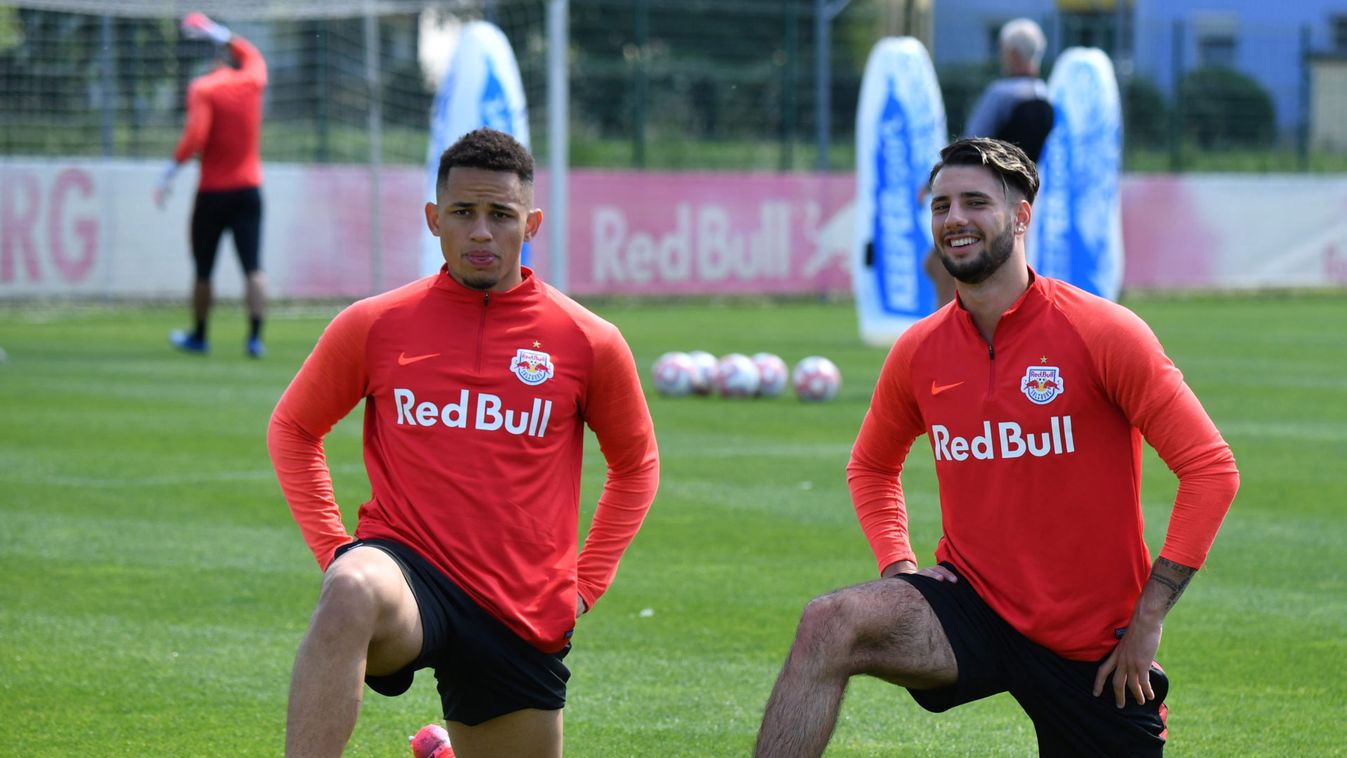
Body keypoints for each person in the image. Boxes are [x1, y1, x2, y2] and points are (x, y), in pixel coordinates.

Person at [755, 138, 1239, 757]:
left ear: (1021, 215)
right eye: (941, 205)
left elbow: (1210, 470)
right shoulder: (919, 350)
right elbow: (871, 466)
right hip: (973, 608)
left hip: (1093, 646)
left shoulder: (1102, 333)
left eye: (975, 203)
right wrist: (899, 568)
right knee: (829, 623)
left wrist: (1148, 620)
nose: (954, 218)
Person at [268, 128, 660, 758]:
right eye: (463, 213)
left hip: (520, 606)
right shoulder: (374, 324)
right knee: (351, 588)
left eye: (500, 215)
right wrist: (335, 550)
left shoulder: (589, 341)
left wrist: (585, 582)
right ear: (434, 220)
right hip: (408, 571)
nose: (481, 231)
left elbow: (636, 465)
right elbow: (293, 428)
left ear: (529, 224)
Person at [156, 12, 268, 358]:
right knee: (253, 266)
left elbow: (195, 136)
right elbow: (254, 57)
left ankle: (200, 335)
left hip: (213, 192)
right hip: (249, 189)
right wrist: (219, 32)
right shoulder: (250, 81)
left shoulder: (203, 89)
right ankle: (254, 338)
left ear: (209, 65)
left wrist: (171, 170)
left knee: (204, 268)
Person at [926, 17, 1054, 308]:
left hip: (982, 194)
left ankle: (948, 325)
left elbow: (967, 145)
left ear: (1012, 54)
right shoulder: (1046, 96)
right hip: (1021, 197)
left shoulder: (1000, 94)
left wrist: (929, 184)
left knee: (941, 261)